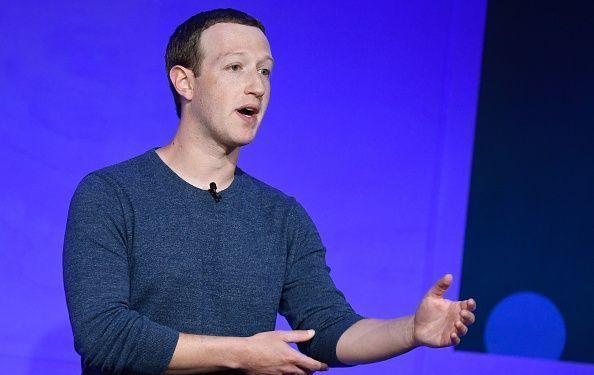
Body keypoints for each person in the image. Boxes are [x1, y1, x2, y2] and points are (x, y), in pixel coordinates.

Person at [63, 8, 476, 375]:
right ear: (185, 82)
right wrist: (243, 354)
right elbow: (105, 335)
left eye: (265, 71)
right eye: (235, 67)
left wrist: (412, 329)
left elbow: (326, 329)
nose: (257, 87)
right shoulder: (111, 194)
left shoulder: (282, 216)